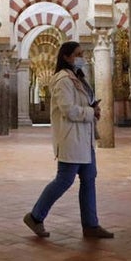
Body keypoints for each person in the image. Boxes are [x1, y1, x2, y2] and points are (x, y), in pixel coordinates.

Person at [23, 41, 114, 239]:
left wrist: (93, 109)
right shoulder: (63, 80)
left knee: (89, 179)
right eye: (77, 54)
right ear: (66, 57)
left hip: (84, 139)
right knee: (64, 180)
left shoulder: (77, 78)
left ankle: (91, 225)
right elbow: (68, 110)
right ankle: (35, 216)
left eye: (82, 54)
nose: (81, 58)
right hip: (71, 139)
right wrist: (90, 112)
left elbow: (82, 104)